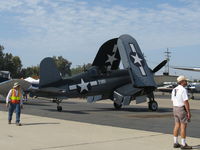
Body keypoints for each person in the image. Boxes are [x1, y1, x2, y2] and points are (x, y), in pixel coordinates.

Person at [171, 76, 192, 149]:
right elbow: (185, 101)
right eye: (185, 81)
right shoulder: (183, 90)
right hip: (181, 109)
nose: (186, 82)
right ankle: (183, 144)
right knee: (183, 126)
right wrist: (188, 112)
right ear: (182, 81)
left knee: (176, 125)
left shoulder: (174, 89)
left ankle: (175, 142)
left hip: (175, 108)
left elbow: (173, 100)